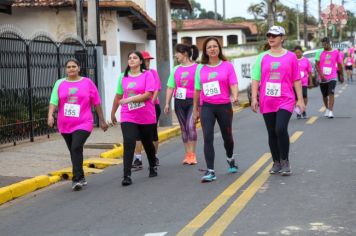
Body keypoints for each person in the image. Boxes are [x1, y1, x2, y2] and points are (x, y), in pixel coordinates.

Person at [251, 26, 305, 176]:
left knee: (280, 129)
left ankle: (285, 161)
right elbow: (256, 79)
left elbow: (296, 79)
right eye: (269, 35)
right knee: (271, 132)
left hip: (286, 99)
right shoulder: (262, 57)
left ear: (282, 38)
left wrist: (300, 99)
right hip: (267, 100)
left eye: (275, 35)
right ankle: (276, 162)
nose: (271, 37)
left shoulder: (291, 57)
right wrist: (254, 97)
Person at [48, 58, 108, 191]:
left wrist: (102, 120)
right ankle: (81, 176)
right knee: (74, 150)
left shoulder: (87, 83)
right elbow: (53, 100)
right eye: (68, 67)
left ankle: (76, 180)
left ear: (79, 68)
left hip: (84, 122)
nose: (71, 69)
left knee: (75, 147)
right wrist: (50, 115)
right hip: (64, 124)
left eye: (74, 66)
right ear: (66, 69)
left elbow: (96, 102)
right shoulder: (60, 83)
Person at [193, 37, 239, 183]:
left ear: (219, 48)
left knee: (227, 137)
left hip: (224, 105)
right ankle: (210, 170)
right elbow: (197, 90)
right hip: (206, 106)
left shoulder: (227, 65)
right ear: (205, 51)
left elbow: (233, 83)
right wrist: (195, 109)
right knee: (207, 137)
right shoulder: (200, 68)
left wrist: (235, 96)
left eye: (214, 46)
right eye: (209, 47)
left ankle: (230, 157)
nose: (212, 49)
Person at [111, 51, 157, 186]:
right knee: (129, 142)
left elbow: (148, 94)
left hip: (145, 115)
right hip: (128, 115)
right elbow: (119, 96)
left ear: (141, 61)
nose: (131, 60)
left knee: (147, 142)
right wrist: (113, 112)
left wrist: (129, 99)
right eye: (129, 58)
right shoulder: (122, 77)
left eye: (135, 58)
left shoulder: (147, 75)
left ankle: (153, 164)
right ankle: (126, 175)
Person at [164, 44, 199, 165]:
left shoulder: (197, 68)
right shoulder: (176, 69)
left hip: (192, 101)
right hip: (179, 101)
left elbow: (200, 87)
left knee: (190, 126)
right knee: (183, 128)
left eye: (177, 53)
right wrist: (167, 103)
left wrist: (198, 105)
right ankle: (188, 154)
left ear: (184, 53)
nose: (175, 55)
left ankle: (193, 155)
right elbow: (170, 87)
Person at [132, 51, 161, 170]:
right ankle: (138, 158)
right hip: (137, 107)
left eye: (149, 60)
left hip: (152, 107)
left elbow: (156, 89)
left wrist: (151, 103)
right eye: (145, 60)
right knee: (137, 134)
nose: (148, 62)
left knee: (152, 134)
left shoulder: (153, 73)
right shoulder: (133, 74)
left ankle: (154, 157)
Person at [315, 37, 343, 119]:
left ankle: (331, 111)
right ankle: (327, 108)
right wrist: (321, 74)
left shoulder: (335, 52)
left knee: (331, 92)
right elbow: (316, 64)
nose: (324, 46)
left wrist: (341, 75)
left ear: (329, 43)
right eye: (323, 45)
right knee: (324, 95)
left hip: (332, 76)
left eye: (325, 44)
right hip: (322, 77)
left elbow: (339, 64)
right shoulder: (319, 52)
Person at [294, 46, 313, 119]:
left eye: (299, 52)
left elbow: (310, 72)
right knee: (296, 98)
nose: (297, 54)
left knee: (304, 96)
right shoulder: (293, 61)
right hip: (294, 83)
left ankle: (303, 110)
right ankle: (298, 112)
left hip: (304, 82)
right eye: (296, 53)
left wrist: (310, 82)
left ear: (302, 52)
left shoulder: (306, 60)